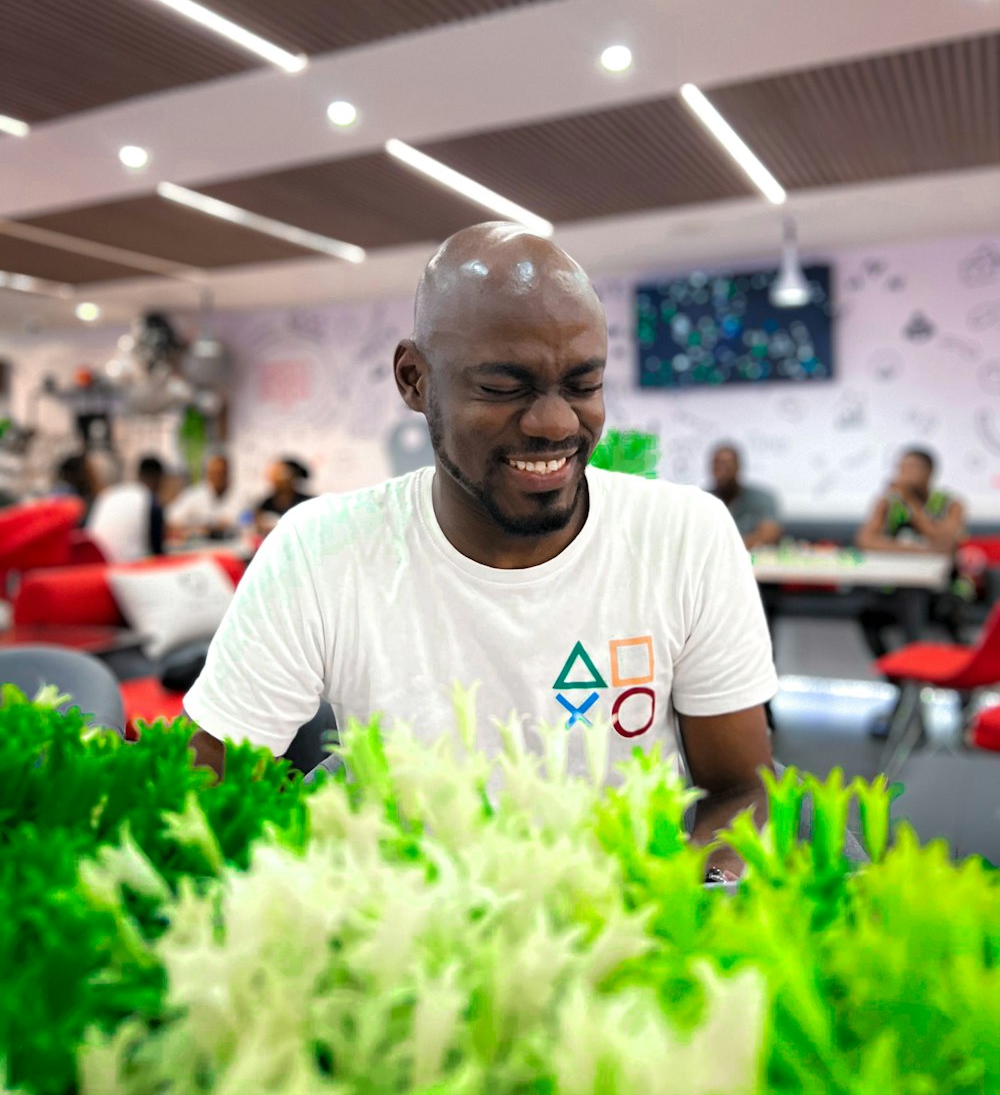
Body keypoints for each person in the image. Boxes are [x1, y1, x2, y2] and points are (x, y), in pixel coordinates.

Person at [185, 224, 777, 879]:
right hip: (408, 942)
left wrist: (683, 907)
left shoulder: (685, 536)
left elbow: (741, 788)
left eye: (583, 385)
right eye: (504, 386)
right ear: (414, 379)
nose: (555, 422)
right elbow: (209, 798)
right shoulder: (318, 551)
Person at [855, 447, 967, 659]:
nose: (902, 474)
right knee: (869, 615)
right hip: (894, 588)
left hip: (942, 592)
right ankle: (901, 682)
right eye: (900, 468)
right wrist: (916, 550)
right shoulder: (888, 503)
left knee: (914, 598)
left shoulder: (951, 504)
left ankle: (918, 675)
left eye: (910, 468)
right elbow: (865, 540)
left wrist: (911, 504)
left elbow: (944, 543)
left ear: (929, 472)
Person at [85, 455, 166, 564]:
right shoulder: (149, 500)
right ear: (159, 479)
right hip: (127, 568)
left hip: (95, 563)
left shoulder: (111, 493)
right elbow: (158, 553)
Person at [708, 444, 782, 550]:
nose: (723, 473)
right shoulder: (703, 500)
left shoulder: (761, 498)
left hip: (750, 558)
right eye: (718, 467)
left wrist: (733, 548)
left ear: (738, 467)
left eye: (727, 467)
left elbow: (769, 534)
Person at [167, 452, 236, 541]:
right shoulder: (193, 495)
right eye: (214, 473)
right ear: (207, 474)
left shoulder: (239, 495)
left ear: (227, 473)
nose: (218, 477)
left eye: (221, 473)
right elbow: (170, 521)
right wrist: (199, 529)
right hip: (199, 546)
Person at [253, 458, 312, 535]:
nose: (274, 479)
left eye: (279, 474)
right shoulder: (265, 504)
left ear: (292, 477)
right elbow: (257, 528)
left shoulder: (308, 503)